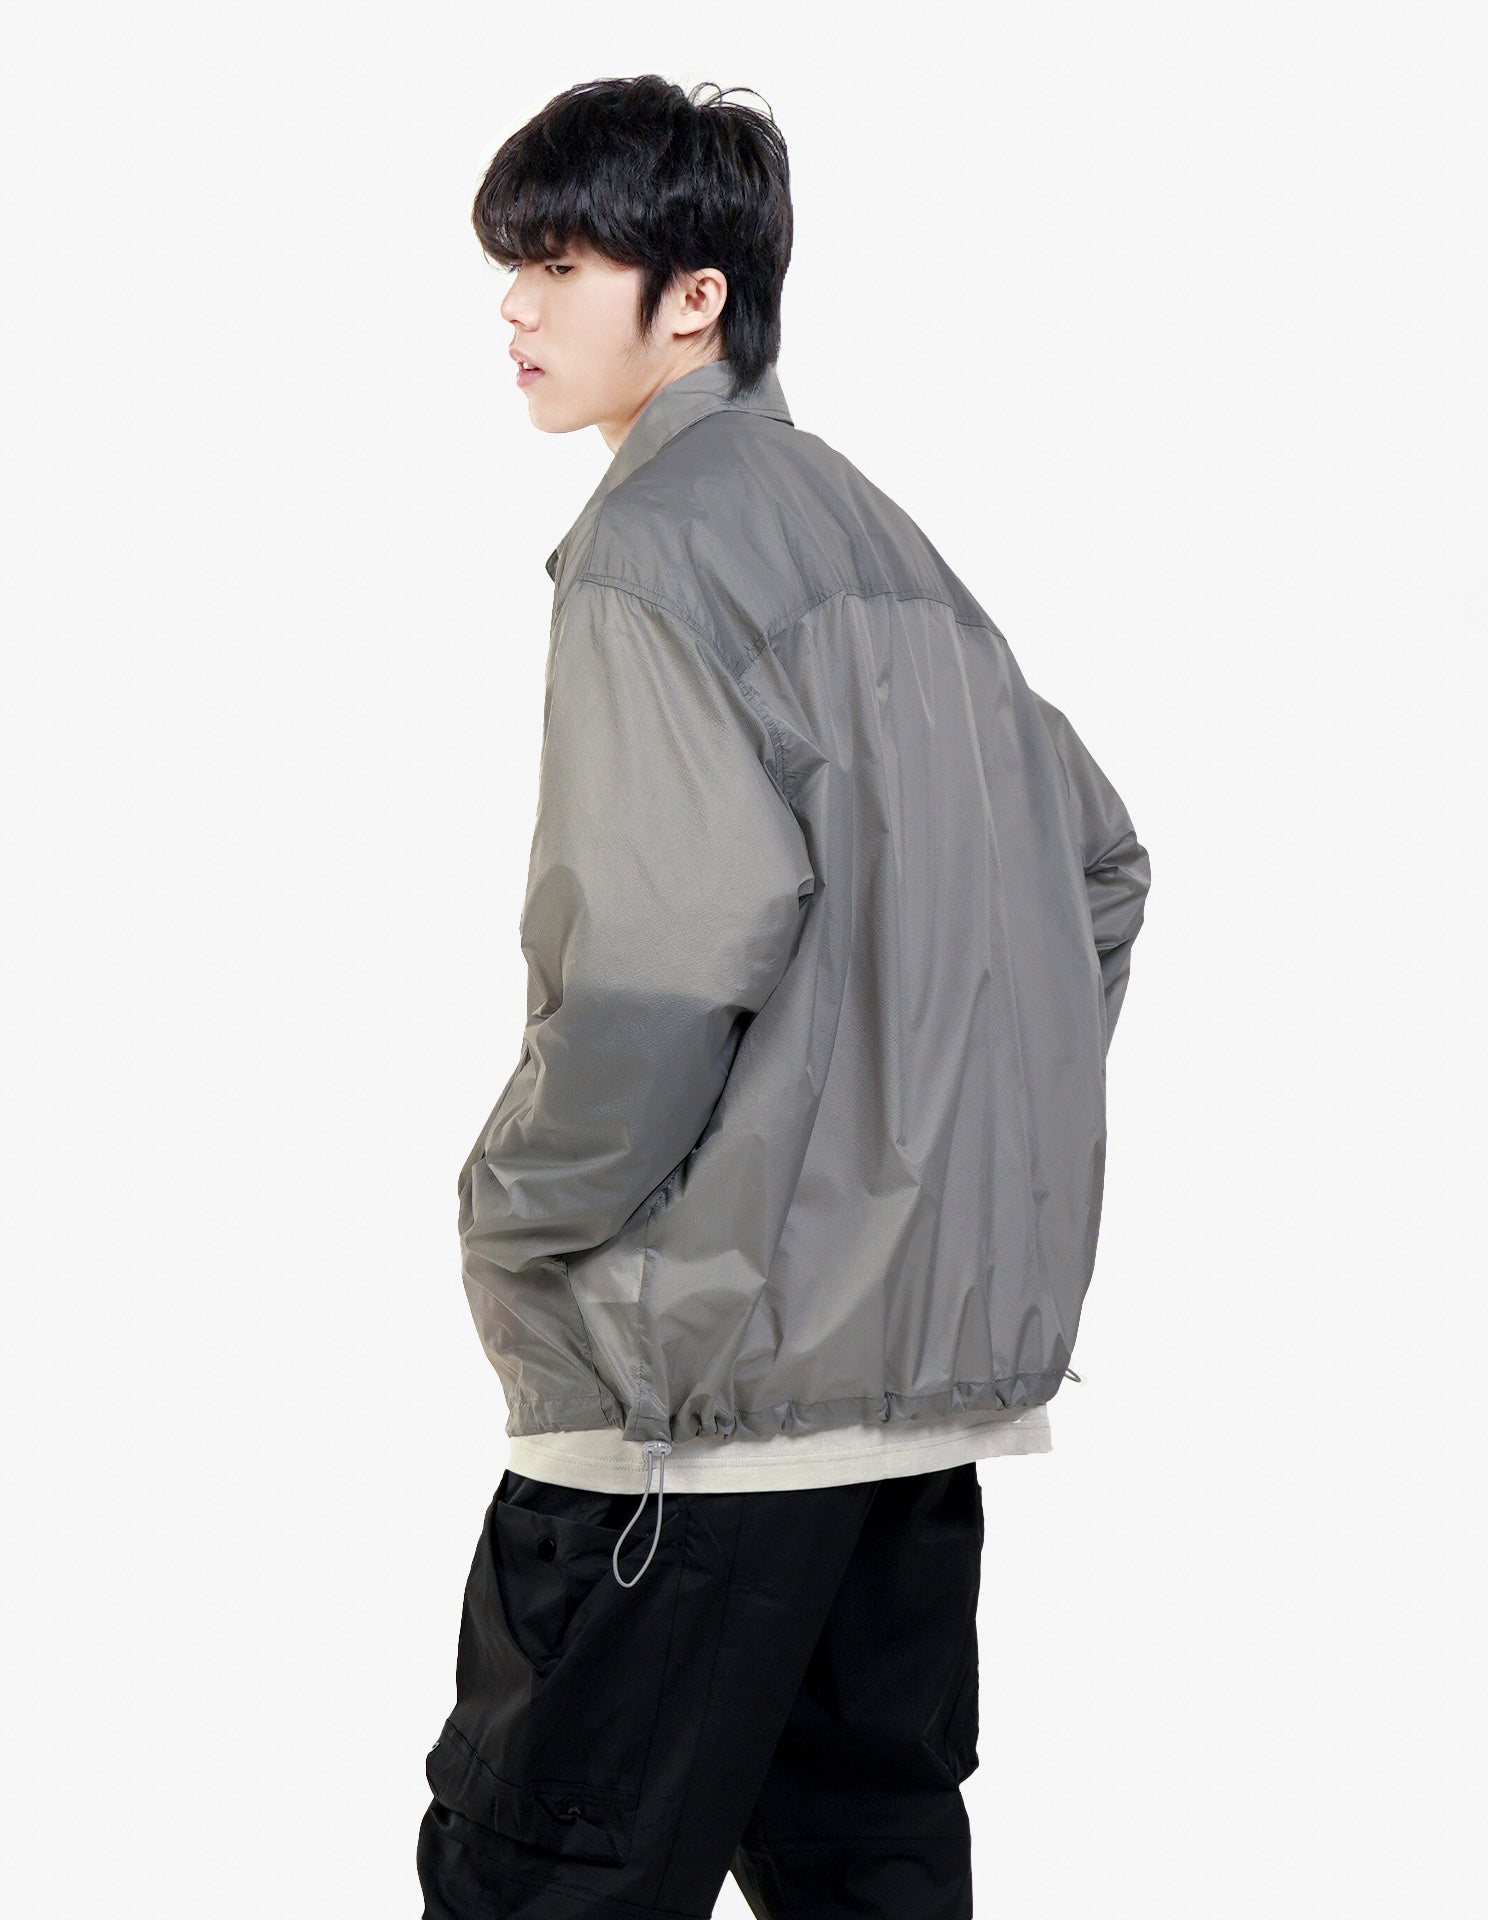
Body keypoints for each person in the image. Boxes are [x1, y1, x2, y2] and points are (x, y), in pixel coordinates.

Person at [418, 73, 1151, 1920]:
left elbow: (658, 965)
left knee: (541, 1874)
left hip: (702, 1407)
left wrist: (514, 1214)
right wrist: (929, 1179)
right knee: (868, 1863)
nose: (514, 304)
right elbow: (1099, 870)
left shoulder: (656, 546)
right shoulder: (889, 547)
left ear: (697, 299)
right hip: (908, 1413)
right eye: (514, 263)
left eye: (559, 263)